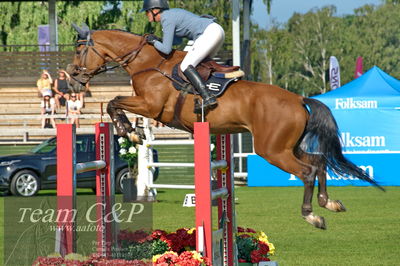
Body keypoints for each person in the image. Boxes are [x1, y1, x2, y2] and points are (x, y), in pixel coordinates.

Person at [141, 0, 225, 110]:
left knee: (185, 66)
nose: (146, 15)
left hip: (208, 34)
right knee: (202, 66)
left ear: (155, 10)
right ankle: (211, 93)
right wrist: (159, 40)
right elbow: (176, 42)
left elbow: (166, 50)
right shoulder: (171, 14)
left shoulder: (166, 18)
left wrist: (153, 42)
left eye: (147, 12)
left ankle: (208, 97)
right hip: (216, 31)